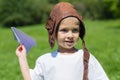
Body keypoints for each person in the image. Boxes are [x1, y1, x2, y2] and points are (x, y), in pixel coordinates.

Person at [16, 2, 109, 80]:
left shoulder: (86, 58)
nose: (70, 35)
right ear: (54, 33)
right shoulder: (45, 61)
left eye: (75, 30)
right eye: (64, 30)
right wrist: (22, 57)